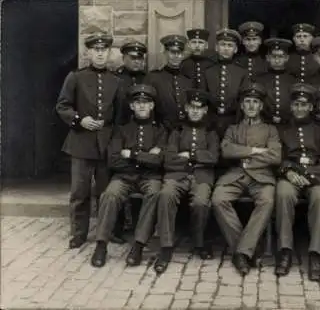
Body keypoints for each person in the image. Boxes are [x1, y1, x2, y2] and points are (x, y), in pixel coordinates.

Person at [56, 32, 126, 249]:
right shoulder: (75, 77)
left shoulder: (116, 80)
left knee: (107, 192)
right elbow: (62, 106)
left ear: (109, 52)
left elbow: (120, 117)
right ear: (88, 52)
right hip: (80, 142)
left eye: (103, 50)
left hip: (106, 144)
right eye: (95, 50)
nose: (99, 54)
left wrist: (114, 142)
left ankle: (109, 231)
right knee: (80, 192)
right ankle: (79, 233)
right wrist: (80, 120)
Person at [90, 84, 165, 267]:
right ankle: (101, 245)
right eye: (138, 103)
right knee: (109, 195)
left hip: (150, 177)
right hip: (124, 176)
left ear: (152, 106)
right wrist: (148, 156)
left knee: (155, 194)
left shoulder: (160, 131)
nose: (142, 106)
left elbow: (160, 161)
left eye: (146, 103)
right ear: (131, 106)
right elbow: (113, 160)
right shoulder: (121, 130)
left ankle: (138, 245)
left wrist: (131, 155)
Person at [211, 83, 281, 276]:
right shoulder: (232, 129)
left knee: (266, 200)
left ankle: (241, 252)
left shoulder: (270, 130)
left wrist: (244, 157)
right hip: (235, 175)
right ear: (242, 106)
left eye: (255, 102)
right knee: (218, 199)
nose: (251, 106)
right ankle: (246, 250)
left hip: (261, 176)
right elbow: (226, 150)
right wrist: (255, 150)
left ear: (260, 106)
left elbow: (275, 156)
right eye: (247, 102)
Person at [152, 89, 220, 274]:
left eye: (200, 108)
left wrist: (189, 155)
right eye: (192, 107)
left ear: (205, 110)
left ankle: (199, 242)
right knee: (166, 195)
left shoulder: (211, 132)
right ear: (186, 108)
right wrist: (199, 157)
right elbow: (169, 158)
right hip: (177, 175)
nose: (196, 111)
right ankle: (166, 247)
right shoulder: (178, 130)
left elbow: (213, 157)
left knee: (200, 202)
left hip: (201, 177)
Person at [274, 83, 320, 282]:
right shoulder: (282, 130)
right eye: (296, 104)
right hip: (290, 176)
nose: (299, 108)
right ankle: (285, 250)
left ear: (311, 107)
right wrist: (289, 172)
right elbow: (277, 157)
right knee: (283, 193)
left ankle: (315, 253)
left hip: (316, 177)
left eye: (304, 104)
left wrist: (308, 176)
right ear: (291, 106)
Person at [113, 39, 148, 241]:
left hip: (141, 133)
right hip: (120, 133)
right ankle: (116, 227)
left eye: (140, 58)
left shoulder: (147, 78)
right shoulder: (116, 79)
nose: (136, 62)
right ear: (124, 58)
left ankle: (136, 224)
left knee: (141, 174)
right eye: (132, 58)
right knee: (118, 178)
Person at [201, 28, 250, 138]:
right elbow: (203, 99)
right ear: (217, 48)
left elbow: (243, 100)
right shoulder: (208, 71)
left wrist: (239, 123)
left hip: (234, 122)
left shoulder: (242, 72)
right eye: (223, 45)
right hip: (211, 122)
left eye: (230, 45)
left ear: (236, 49)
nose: (226, 49)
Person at [144, 34, 191, 133]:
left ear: (183, 55)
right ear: (165, 53)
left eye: (179, 52)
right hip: (161, 130)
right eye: (172, 52)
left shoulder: (187, 80)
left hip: (183, 132)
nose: (176, 56)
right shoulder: (153, 78)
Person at [254, 38, 296, 127]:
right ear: (268, 58)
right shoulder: (259, 80)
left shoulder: (294, 80)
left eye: (280, 56)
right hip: (265, 124)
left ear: (286, 58)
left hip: (289, 125)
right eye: (273, 56)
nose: (277, 60)